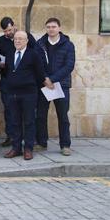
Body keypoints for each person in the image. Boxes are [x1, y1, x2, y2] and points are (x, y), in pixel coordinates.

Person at [3, 31, 46, 160]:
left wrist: (30, 84)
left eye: (21, 39)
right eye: (16, 39)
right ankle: (16, 148)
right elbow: (7, 72)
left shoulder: (33, 54)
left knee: (29, 121)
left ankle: (28, 148)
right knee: (14, 121)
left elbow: (40, 74)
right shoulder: (10, 54)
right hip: (12, 94)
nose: (17, 41)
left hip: (28, 94)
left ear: (27, 41)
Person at [0, 16, 38, 147]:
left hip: (26, 84)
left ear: (14, 26)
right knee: (9, 111)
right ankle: (11, 137)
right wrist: (0, 64)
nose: (7, 33)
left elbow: (35, 58)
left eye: (9, 30)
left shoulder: (28, 37)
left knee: (29, 114)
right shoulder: (1, 41)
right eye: (5, 31)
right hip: (8, 81)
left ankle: (30, 140)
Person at [35, 18, 76, 156]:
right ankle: (41, 143)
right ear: (46, 28)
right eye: (48, 27)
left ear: (59, 28)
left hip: (61, 85)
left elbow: (69, 66)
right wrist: (45, 79)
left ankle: (65, 145)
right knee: (40, 115)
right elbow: (37, 64)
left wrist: (52, 79)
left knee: (63, 116)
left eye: (53, 26)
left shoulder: (68, 45)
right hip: (44, 84)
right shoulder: (39, 44)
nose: (51, 29)